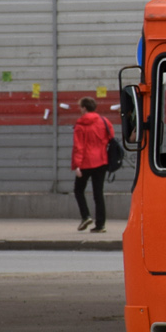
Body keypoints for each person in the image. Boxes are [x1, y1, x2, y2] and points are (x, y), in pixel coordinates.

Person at [72, 96, 114, 233]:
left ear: (84, 108)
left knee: (78, 190)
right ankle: (100, 225)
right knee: (98, 193)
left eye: (80, 107)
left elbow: (79, 147)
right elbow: (110, 137)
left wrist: (77, 165)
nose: (79, 109)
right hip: (102, 161)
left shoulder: (80, 124)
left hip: (85, 163)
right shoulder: (104, 121)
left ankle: (86, 216)